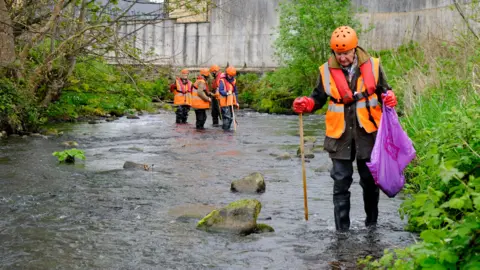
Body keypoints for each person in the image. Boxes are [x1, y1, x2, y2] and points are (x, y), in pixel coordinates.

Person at [292, 26, 398, 231]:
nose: (342, 58)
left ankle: (371, 226)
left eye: (346, 53)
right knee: (340, 182)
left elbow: (385, 90)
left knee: (369, 181)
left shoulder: (374, 66)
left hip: (368, 134)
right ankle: (342, 233)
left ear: (354, 49)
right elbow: (318, 98)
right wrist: (306, 103)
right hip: (339, 136)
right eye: (338, 54)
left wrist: (390, 97)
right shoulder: (325, 71)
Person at [218, 66, 239, 131]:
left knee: (230, 118)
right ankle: (225, 131)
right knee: (227, 118)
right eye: (229, 75)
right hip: (224, 102)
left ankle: (226, 131)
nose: (230, 77)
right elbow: (221, 91)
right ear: (227, 74)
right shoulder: (222, 80)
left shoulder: (234, 81)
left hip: (230, 102)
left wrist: (236, 102)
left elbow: (235, 92)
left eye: (232, 76)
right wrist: (227, 93)